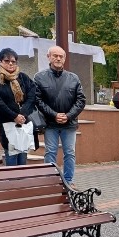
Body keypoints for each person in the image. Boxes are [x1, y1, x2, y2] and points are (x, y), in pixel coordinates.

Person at [34, 45, 86, 184]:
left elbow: (81, 100)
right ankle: (50, 181)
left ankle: (68, 181)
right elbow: (38, 100)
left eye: (61, 56)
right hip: (50, 123)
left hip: (69, 124)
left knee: (70, 153)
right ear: (49, 57)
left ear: (64, 59)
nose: (58, 58)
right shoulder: (39, 77)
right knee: (50, 152)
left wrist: (68, 115)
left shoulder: (73, 78)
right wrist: (54, 115)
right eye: (55, 56)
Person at [0, 47, 38, 167]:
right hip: (7, 122)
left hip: (23, 121)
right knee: (11, 155)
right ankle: (13, 183)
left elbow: (32, 95)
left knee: (22, 155)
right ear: (1, 62)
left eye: (13, 61)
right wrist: (14, 115)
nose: (10, 63)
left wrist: (23, 114)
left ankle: (21, 183)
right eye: (6, 61)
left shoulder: (23, 77)